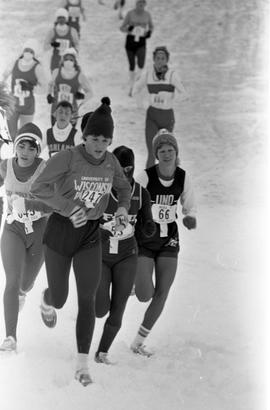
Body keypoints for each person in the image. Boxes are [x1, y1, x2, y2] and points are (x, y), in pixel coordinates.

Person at [30, 97, 131, 386]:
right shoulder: (68, 157)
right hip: (61, 232)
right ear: (84, 136)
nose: (99, 145)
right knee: (61, 299)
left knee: (87, 298)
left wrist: (122, 208)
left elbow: (123, 188)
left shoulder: (111, 162)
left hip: (89, 235)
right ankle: (47, 299)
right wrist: (67, 208)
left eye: (105, 139)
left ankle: (82, 365)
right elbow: (39, 187)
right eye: (94, 138)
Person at [130, 129, 197, 356]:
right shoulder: (145, 176)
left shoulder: (183, 177)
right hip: (146, 240)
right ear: (156, 154)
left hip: (169, 239)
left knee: (162, 292)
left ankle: (138, 342)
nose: (167, 154)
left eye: (170, 150)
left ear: (176, 152)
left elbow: (190, 204)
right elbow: (131, 202)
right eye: (162, 150)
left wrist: (189, 216)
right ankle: (134, 284)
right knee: (144, 294)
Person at [95, 145, 155, 364]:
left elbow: (147, 221)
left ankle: (102, 353)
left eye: (129, 168)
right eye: (120, 168)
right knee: (100, 309)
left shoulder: (141, 193)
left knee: (118, 310)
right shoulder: (102, 190)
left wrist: (148, 227)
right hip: (101, 255)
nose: (125, 173)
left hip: (127, 255)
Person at [0, 123, 51, 352]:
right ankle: (10, 337)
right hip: (13, 229)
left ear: (38, 151)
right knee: (11, 281)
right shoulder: (6, 166)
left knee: (25, 284)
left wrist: (32, 205)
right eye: (22, 146)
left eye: (31, 148)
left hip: (39, 230)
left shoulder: (45, 169)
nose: (25, 152)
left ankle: (27, 293)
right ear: (16, 147)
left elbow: (55, 204)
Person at [132, 46, 189, 168]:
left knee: (168, 152)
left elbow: (184, 94)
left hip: (167, 116)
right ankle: (148, 182)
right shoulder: (148, 74)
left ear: (167, 60)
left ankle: (172, 179)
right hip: (152, 115)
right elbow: (135, 89)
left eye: (163, 58)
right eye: (157, 58)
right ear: (153, 59)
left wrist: (171, 99)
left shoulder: (172, 75)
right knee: (152, 152)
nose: (160, 61)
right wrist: (140, 104)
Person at [1, 39, 47, 140]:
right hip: (13, 105)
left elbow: (44, 88)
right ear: (23, 51)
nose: (28, 53)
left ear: (34, 53)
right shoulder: (15, 63)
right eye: (26, 50)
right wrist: (4, 90)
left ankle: (19, 155)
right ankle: (12, 152)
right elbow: (3, 76)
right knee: (10, 133)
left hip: (28, 106)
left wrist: (31, 87)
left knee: (24, 135)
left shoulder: (37, 67)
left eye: (31, 51)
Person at [46, 47, 93, 125]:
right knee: (55, 134)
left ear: (75, 62)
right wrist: (49, 95)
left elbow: (90, 93)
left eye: (71, 60)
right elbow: (50, 84)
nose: (68, 61)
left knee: (69, 136)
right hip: (56, 110)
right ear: (62, 60)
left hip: (72, 112)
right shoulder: (56, 72)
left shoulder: (80, 76)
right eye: (66, 59)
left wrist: (82, 98)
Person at [120, 0, 154, 96]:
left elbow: (151, 27)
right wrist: (129, 29)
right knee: (132, 65)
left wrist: (149, 33)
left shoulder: (147, 15)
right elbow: (122, 27)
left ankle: (137, 82)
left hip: (141, 42)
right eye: (139, 3)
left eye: (143, 3)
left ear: (145, 4)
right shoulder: (130, 14)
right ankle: (131, 86)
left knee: (141, 64)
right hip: (130, 41)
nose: (141, 5)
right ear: (136, 4)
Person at [44, 8, 79, 72]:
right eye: (59, 17)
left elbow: (77, 44)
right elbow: (45, 47)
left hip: (68, 61)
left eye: (63, 17)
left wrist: (74, 51)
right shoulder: (52, 31)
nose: (61, 19)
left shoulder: (72, 31)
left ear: (66, 19)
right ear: (56, 19)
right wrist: (53, 44)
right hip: (56, 61)